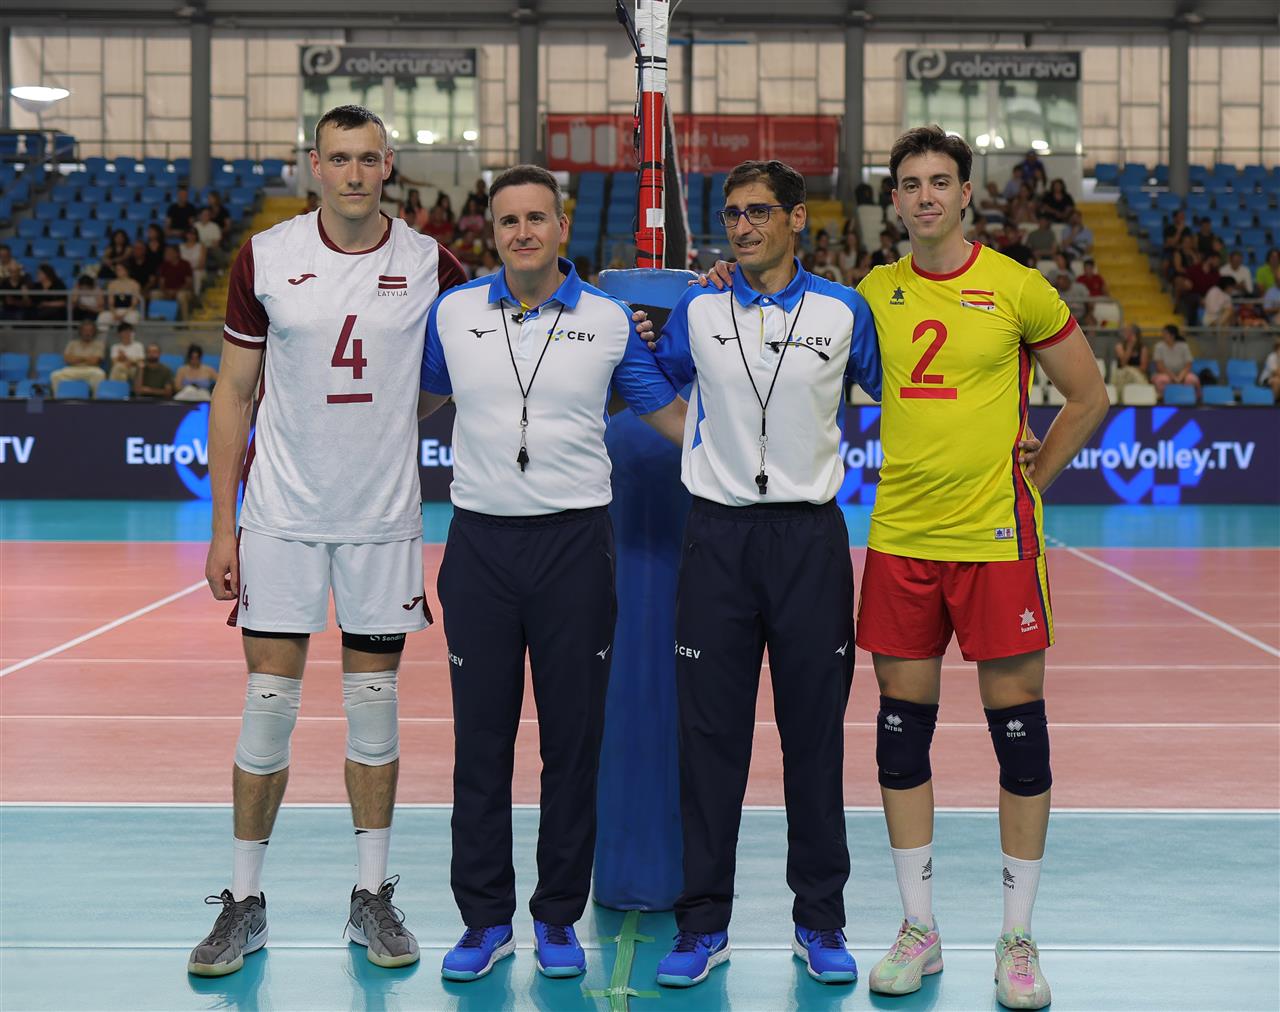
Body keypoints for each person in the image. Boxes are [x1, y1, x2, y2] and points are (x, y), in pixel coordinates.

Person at [188, 103, 468, 979]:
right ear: (315, 164)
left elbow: (461, 367)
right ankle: (243, 903)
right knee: (268, 709)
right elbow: (234, 393)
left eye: (367, 159)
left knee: (374, 709)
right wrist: (223, 525)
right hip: (281, 518)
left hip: (381, 522)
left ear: (389, 166)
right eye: (338, 158)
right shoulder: (266, 257)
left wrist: (394, 417)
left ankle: (371, 896)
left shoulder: (432, 264)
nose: (353, 173)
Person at [853, 126, 1108, 1010]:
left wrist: (1035, 478)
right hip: (902, 539)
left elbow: (1088, 394)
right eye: (910, 183)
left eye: (940, 182)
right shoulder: (872, 293)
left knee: (1020, 734)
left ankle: (1017, 938)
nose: (925, 196)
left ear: (966, 194)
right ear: (894, 199)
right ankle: (918, 929)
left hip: (996, 545)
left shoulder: (1016, 286)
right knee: (900, 734)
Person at [417, 164, 681, 984]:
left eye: (537, 218)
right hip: (480, 549)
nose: (523, 232)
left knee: (572, 745)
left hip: (575, 549)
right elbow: (409, 404)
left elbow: (672, 415)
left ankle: (557, 914)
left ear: (562, 228)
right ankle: (485, 920)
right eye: (509, 221)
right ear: (491, 232)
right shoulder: (454, 313)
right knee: (480, 746)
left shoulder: (608, 320)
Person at [644, 159, 882, 991]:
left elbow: (908, 396)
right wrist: (693, 437)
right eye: (731, 214)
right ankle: (702, 925)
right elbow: (646, 374)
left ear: (797, 218)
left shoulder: (845, 311)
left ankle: (820, 921)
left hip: (809, 542)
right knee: (709, 743)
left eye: (757, 212)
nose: (741, 227)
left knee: (814, 741)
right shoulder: (699, 308)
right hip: (716, 540)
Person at [49, 320, 106, 395]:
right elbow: (67, 359)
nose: (87, 333)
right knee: (55, 375)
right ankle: (58, 398)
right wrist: (87, 358)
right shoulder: (72, 344)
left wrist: (76, 358)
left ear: (94, 332)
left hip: (90, 370)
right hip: (73, 369)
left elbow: (94, 361)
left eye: (90, 331)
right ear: (80, 332)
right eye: (85, 330)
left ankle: (96, 400)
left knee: (100, 374)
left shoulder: (99, 344)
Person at [1151, 323, 1199, 400]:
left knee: (1191, 379)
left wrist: (1180, 377)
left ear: (1172, 335)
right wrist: (1173, 377)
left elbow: (1188, 365)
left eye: (1165, 334)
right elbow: (1160, 366)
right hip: (1165, 374)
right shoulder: (1159, 347)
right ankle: (1164, 400)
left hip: (1182, 374)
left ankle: (1188, 399)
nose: (1163, 335)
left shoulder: (1184, 346)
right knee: (1162, 380)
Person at [152, 243, 195, 319]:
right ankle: (156, 319)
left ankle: (185, 321)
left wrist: (176, 291)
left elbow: (188, 283)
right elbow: (161, 283)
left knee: (181, 295)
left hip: (183, 291)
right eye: (166, 253)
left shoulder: (185, 264)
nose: (166, 255)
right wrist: (166, 292)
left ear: (176, 254)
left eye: (169, 252)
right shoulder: (164, 265)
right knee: (154, 294)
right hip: (167, 291)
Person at [97, 262, 143, 329]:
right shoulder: (112, 284)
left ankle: (129, 335)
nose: (117, 271)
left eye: (120, 269)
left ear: (126, 270)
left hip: (129, 311)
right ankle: (102, 335)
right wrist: (115, 314)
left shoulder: (135, 284)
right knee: (103, 317)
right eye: (116, 270)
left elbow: (134, 304)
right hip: (115, 310)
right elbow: (110, 303)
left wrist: (123, 315)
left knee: (131, 318)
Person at [1112, 323, 1150, 388]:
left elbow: (1143, 368)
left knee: (1134, 374)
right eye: (1126, 333)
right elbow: (1123, 364)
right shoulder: (1119, 346)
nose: (1127, 335)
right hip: (1123, 374)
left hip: (1137, 374)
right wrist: (1130, 347)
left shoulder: (1143, 348)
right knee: (1128, 372)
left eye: (1130, 333)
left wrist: (1132, 370)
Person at [179, 227, 208, 296]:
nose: (191, 236)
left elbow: (202, 265)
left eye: (193, 234)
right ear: (186, 235)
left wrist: (190, 270)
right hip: (183, 270)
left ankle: (195, 295)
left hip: (197, 270)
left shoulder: (201, 246)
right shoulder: (180, 247)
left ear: (196, 235)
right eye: (189, 234)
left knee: (196, 274)